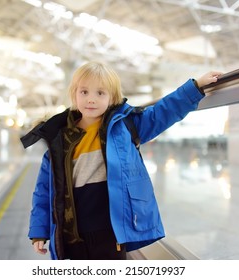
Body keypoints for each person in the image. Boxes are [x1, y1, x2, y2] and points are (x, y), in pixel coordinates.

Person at [20, 61, 222, 260]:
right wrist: (39, 230)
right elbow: (44, 190)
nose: (91, 99)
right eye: (84, 92)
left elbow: (162, 111)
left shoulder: (124, 126)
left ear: (112, 98)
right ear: (74, 94)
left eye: (100, 93)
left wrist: (195, 87)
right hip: (72, 233)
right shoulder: (59, 139)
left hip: (111, 230)